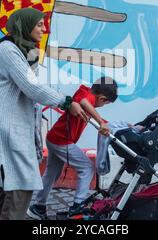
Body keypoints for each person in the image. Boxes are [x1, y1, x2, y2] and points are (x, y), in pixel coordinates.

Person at [0, 7, 88, 220]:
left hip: (14, 119)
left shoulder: (26, 49)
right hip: (7, 120)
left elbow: (34, 85)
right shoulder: (8, 49)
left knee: (8, 180)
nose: (43, 28)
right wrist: (66, 102)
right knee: (20, 180)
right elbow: (31, 87)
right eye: (39, 24)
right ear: (26, 24)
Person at [27, 76, 118, 220]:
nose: (103, 106)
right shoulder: (85, 95)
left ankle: (38, 207)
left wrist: (107, 123)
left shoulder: (86, 94)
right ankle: (78, 206)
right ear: (102, 98)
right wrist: (100, 121)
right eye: (105, 103)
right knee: (87, 168)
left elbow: (92, 112)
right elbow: (83, 102)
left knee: (52, 174)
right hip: (62, 141)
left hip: (54, 138)